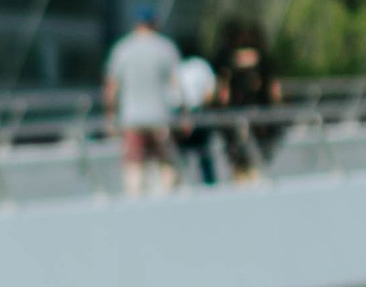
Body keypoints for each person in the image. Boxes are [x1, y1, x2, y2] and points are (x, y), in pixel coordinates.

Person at [102, 10, 183, 193]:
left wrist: (110, 115)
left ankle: (135, 199)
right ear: (154, 23)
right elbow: (177, 85)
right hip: (160, 115)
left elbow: (112, 87)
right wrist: (184, 113)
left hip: (131, 116)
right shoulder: (165, 47)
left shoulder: (122, 48)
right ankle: (166, 197)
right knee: (166, 161)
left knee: (133, 163)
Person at [218, 25, 283, 178]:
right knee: (257, 163)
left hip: (236, 116)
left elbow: (223, 95)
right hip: (260, 118)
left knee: (239, 162)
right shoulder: (264, 60)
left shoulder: (230, 62)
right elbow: (275, 92)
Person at [171, 41, 221, 185]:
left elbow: (175, 94)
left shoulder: (178, 68)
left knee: (182, 156)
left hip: (182, 113)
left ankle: (180, 186)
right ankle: (209, 184)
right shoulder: (202, 66)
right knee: (203, 155)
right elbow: (210, 92)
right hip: (199, 112)